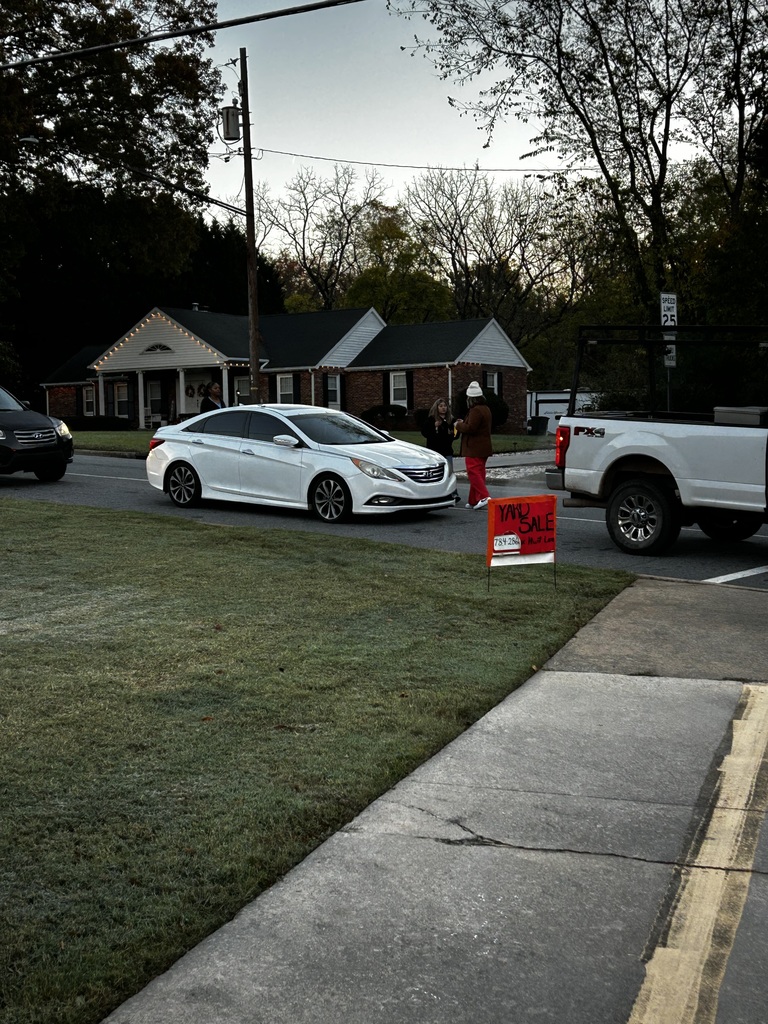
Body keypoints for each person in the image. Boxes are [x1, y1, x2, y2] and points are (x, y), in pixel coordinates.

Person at [454, 381, 492, 509]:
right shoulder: (485, 409)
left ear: (471, 398)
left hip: (474, 447)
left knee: (473, 472)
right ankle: (473, 500)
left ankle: (484, 496)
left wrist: (458, 425)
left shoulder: (475, 410)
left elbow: (471, 428)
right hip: (484, 446)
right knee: (479, 472)